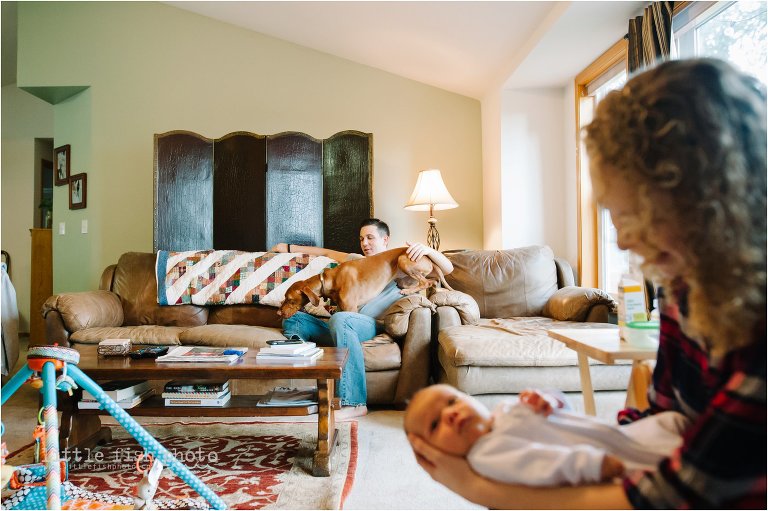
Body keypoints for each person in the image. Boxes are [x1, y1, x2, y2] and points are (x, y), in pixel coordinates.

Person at [408, 58, 766, 508]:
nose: (622, 236)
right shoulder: (685, 288)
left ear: (711, 197)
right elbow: (659, 415)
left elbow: (678, 495)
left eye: (634, 211)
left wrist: (476, 487)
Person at [271, 218, 454, 419]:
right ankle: (304, 391)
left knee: (341, 319)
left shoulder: (401, 263)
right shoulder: (354, 260)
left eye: (370, 238)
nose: (365, 243)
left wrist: (427, 250)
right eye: (361, 239)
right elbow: (324, 252)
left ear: (385, 240)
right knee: (294, 319)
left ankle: (354, 403)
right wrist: (287, 247)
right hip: (340, 327)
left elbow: (448, 270)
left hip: (371, 325)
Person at [404, 384, 688, 487]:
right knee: (663, 466)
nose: (450, 414)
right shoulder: (486, 455)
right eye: (434, 425)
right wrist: (591, 465)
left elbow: (566, 414)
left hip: (608, 434)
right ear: (433, 452)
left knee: (667, 425)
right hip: (602, 456)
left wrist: (549, 399)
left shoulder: (504, 409)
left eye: (452, 402)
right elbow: (541, 464)